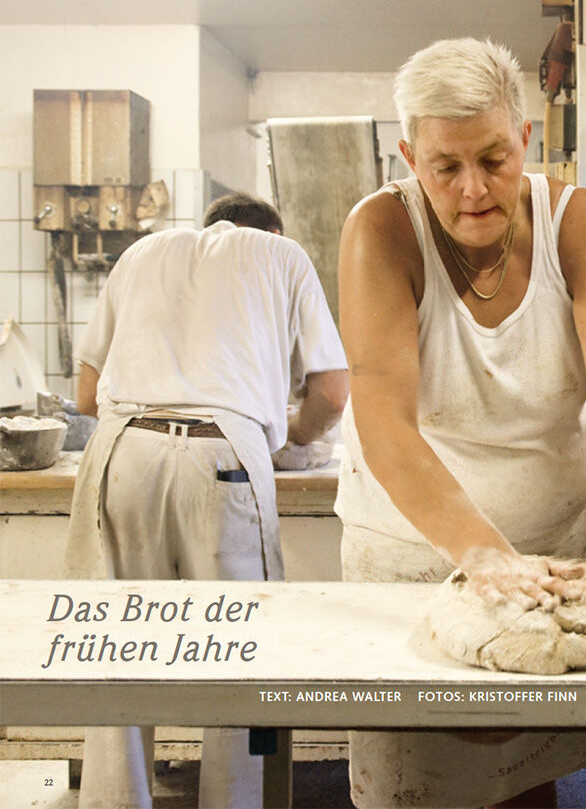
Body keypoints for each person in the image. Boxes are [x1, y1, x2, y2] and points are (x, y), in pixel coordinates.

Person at [334, 37, 586, 807]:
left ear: (525, 138)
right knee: (409, 788)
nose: (473, 189)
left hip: (557, 561)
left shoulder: (580, 225)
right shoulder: (380, 231)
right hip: (409, 560)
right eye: (445, 167)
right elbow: (385, 423)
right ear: (409, 156)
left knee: (521, 780)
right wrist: (482, 557)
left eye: (493, 159)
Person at [66, 193, 349, 808]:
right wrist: (291, 435)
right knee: (241, 659)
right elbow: (331, 392)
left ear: (210, 227)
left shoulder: (142, 252)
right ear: (271, 230)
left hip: (122, 454)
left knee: (117, 651)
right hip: (224, 456)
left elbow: (86, 395)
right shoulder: (283, 254)